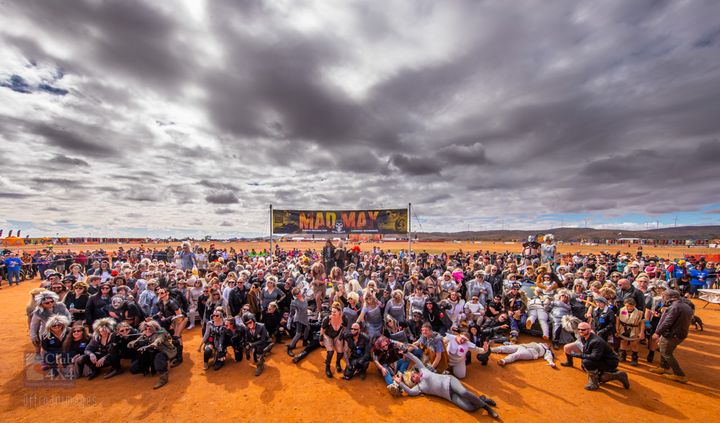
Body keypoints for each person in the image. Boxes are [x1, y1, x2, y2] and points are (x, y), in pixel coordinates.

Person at [394, 352, 499, 418]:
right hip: (449, 396)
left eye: (413, 375)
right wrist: (400, 383)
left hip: (449, 381)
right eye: (412, 380)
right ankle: (482, 399)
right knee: (469, 408)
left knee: (463, 392)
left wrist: (406, 352)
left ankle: (487, 408)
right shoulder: (419, 388)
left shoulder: (423, 370)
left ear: (414, 373)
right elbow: (410, 392)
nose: (414, 378)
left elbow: (415, 359)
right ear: (413, 383)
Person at [566, 322, 629, 391]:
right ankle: (618, 375)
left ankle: (594, 384)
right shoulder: (584, 338)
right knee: (594, 373)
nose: (580, 331)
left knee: (587, 362)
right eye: (579, 329)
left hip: (610, 362)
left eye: (583, 329)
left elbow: (594, 357)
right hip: (602, 359)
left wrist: (577, 355)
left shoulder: (596, 341)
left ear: (589, 330)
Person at [648, 289, 692, 383]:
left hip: (672, 334)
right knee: (664, 349)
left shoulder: (674, 307)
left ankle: (679, 375)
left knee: (666, 353)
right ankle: (663, 367)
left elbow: (667, 322)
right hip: (679, 333)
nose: (663, 298)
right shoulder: (685, 305)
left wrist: (657, 333)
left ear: (669, 297)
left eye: (664, 296)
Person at [128, 320, 177, 389]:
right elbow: (135, 341)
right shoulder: (144, 334)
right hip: (151, 353)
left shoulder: (161, 332)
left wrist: (154, 343)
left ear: (154, 328)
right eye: (146, 329)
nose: (147, 330)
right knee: (134, 369)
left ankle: (163, 379)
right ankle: (148, 368)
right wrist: (133, 343)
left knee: (159, 359)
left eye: (150, 328)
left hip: (163, 351)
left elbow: (159, 339)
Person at [321, 302, 347, 378]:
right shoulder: (327, 319)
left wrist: (341, 336)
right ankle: (327, 367)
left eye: (334, 312)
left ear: (339, 312)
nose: (333, 313)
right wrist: (321, 339)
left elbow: (344, 328)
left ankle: (337, 363)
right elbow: (322, 329)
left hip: (337, 335)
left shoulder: (344, 319)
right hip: (327, 336)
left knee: (340, 352)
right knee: (330, 351)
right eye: (332, 311)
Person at [241, 312, 273, 376]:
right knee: (255, 358)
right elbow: (247, 340)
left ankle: (260, 366)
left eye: (250, 322)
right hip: (255, 342)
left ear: (253, 320)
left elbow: (263, 340)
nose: (249, 324)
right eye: (246, 323)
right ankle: (262, 352)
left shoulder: (262, 326)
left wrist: (252, 345)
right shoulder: (247, 329)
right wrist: (247, 351)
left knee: (259, 350)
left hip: (265, 342)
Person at [616, 298, 645, 366]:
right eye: (627, 306)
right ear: (624, 304)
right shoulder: (621, 310)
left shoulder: (640, 313)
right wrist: (617, 328)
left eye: (631, 306)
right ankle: (622, 355)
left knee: (634, 343)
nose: (629, 307)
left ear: (635, 305)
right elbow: (617, 320)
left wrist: (642, 332)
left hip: (634, 329)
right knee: (623, 342)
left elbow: (642, 323)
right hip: (623, 328)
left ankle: (634, 358)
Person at [287, 287, 310, 357]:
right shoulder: (294, 302)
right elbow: (291, 313)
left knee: (307, 329)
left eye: (299, 292)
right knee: (298, 334)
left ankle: (304, 342)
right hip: (298, 318)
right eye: (296, 294)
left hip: (305, 317)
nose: (299, 294)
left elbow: (306, 309)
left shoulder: (305, 298)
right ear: (295, 295)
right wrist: (289, 322)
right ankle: (290, 347)